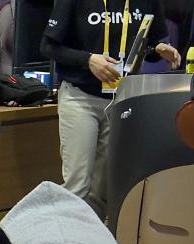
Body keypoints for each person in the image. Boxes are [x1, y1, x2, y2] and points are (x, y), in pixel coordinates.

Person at [41, 0, 180, 218]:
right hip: (80, 98)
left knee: (102, 190)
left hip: (120, 100)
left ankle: (93, 236)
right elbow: (48, 47)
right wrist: (88, 60)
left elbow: (147, 44)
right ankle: (68, 234)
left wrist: (158, 49)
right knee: (78, 184)